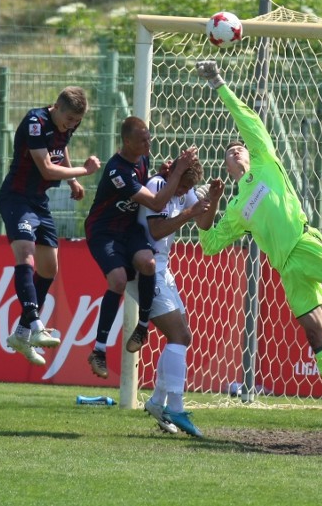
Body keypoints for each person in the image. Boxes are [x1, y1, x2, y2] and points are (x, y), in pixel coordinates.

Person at [195, 60, 322, 446]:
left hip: (305, 243)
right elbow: (210, 245)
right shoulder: (236, 208)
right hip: (287, 269)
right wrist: (207, 207)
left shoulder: (265, 161)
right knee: (317, 334)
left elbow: (247, 122)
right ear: (227, 166)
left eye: (239, 146)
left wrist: (220, 85)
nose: (236, 149)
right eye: (229, 151)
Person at [83, 116, 196, 379]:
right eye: (143, 139)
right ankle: (98, 351)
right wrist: (177, 170)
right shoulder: (117, 172)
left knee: (148, 262)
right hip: (105, 231)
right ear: (127, 141)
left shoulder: (141, 160)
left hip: (128, 229)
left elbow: (153, 188)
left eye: (149, 137)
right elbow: (156, 204)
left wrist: (163, 172)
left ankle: (142, 325)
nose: (149, 142)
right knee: (119, 280)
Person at [0, 86, 101, 366]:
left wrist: (72, 181)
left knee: (49, 268)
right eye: (69, 120)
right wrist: (83, 171)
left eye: (76, 122)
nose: (72, 125)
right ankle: (34, 323)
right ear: (57, 107)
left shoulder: (66, 124)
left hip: (39, 201)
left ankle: (20, 334)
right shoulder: (36, 123)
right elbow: (46, 167)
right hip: (17, 198)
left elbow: (61, 148)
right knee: (26, 254)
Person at [124, 158, 213, 438]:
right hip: (146, 270)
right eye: (183, 185)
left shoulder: (181, 189)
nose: (183, 191)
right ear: (175, 175)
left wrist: (214, 200)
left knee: (182, 337)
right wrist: (189, 212)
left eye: (189, 187)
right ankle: (175, 406)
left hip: (164, 268)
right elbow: (157, 231)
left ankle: (157, 402)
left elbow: (205, 223)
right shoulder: (158, 184)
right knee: (179, 335)